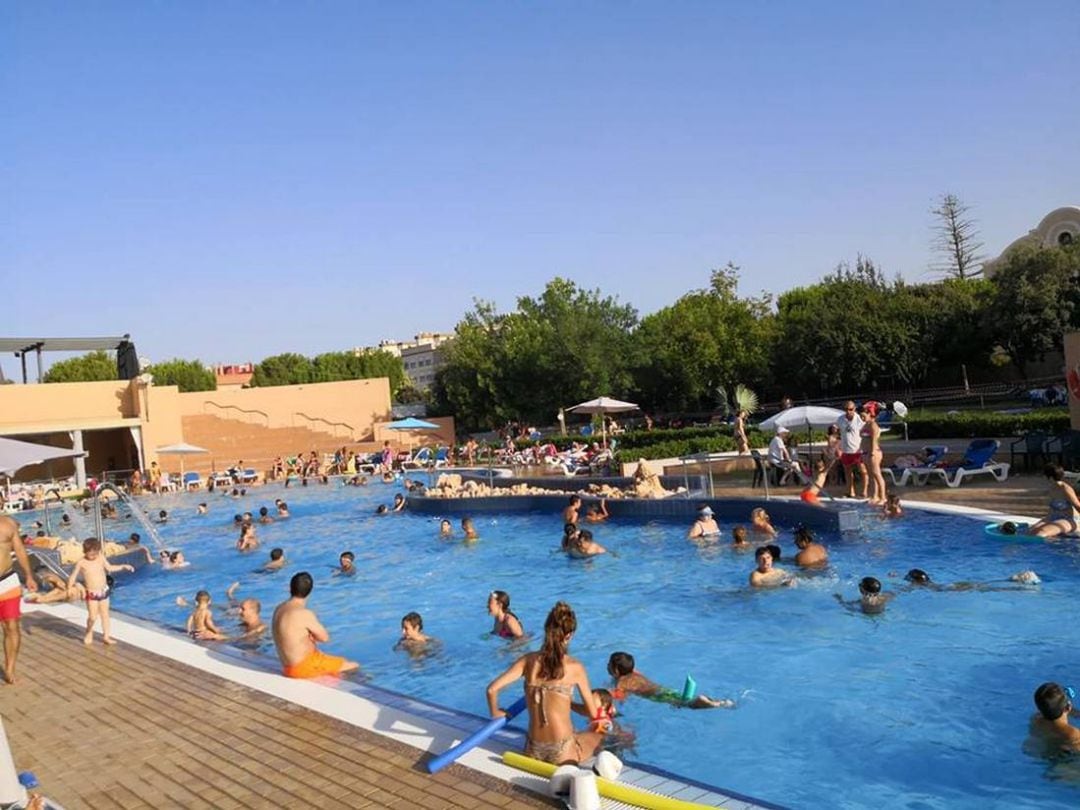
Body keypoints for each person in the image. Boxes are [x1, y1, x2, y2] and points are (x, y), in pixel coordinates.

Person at [486, 602, 605, 764]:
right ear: (569, 635)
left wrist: (495, 713)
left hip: (533, 748)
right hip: (562, 751)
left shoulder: (527, 661)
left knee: (576, 734)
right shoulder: (575, 667)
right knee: (599, 734)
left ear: (546, 630)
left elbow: (492, 690)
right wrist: (570, 704)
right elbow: (591, 714)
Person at [272, 572, 359, 679]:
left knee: (339, 661)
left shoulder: (279, 608)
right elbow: (325, 638)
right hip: (302, 668)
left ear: (290, 588)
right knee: (353, 666)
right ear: (310, 591)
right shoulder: (303, 613)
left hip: (287, 666)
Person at [607, 651, 734, 709]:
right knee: (680, 698)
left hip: (655, 696)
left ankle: (701, 702)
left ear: (616, 670)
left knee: (685, 705)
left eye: (609, 664)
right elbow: (631, 668)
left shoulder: (621, 682)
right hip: (662, 689)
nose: (607, 666)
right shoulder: (635, 672)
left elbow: (620, 698)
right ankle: (720, 702)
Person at [67, 537, 135, 646]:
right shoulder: (82, 562)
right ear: (85, 552)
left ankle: (106, 637)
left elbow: (110, 568)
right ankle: (89, 632)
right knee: (93, 617)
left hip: (104, 591)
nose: (93, 556)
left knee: (105, 615)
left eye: (95, 553)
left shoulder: (100, 558)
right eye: (91, 554)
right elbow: (73, 576)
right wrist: (69, 587)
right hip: (92, 593)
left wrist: (123, 566)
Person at [1028, 464, 1080, 539]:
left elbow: (1078, 506)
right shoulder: (1051, 488)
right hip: (1052, 517)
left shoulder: (1065, 489)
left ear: (1050, 478)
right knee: (1031, 532)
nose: (1043, 478)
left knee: (1040, 533)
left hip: (1068, 519)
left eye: (1045, 476)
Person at [1027, 682, 1080, 754]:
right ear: (1068, 707)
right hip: (1066, 760)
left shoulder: (1035, 720)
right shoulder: (1073, 734)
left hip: (1042, 753)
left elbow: (1054, 708)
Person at [836, 401, 868, 499]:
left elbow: (866, 432)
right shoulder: (840, 419)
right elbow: (838, 434)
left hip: (857, 450)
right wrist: (838, 447)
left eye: (850, 409)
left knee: (863, 471)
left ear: (854, 409)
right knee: (848, 472)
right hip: (846, 450)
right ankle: (850, 491)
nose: (848, 411)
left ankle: (864, 491)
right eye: (846, 409)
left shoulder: (859, 419)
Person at [863, 402, 887, 506]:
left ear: (870, 413)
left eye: (863, 415)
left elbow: (873, 440)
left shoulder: (873, 425)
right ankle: (874, 496)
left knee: (877, 475)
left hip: (873, 453)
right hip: (866, 453)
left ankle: (883, 497)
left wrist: (872, 453)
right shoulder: (866, 424)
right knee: (871, 476)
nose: (862, 416)